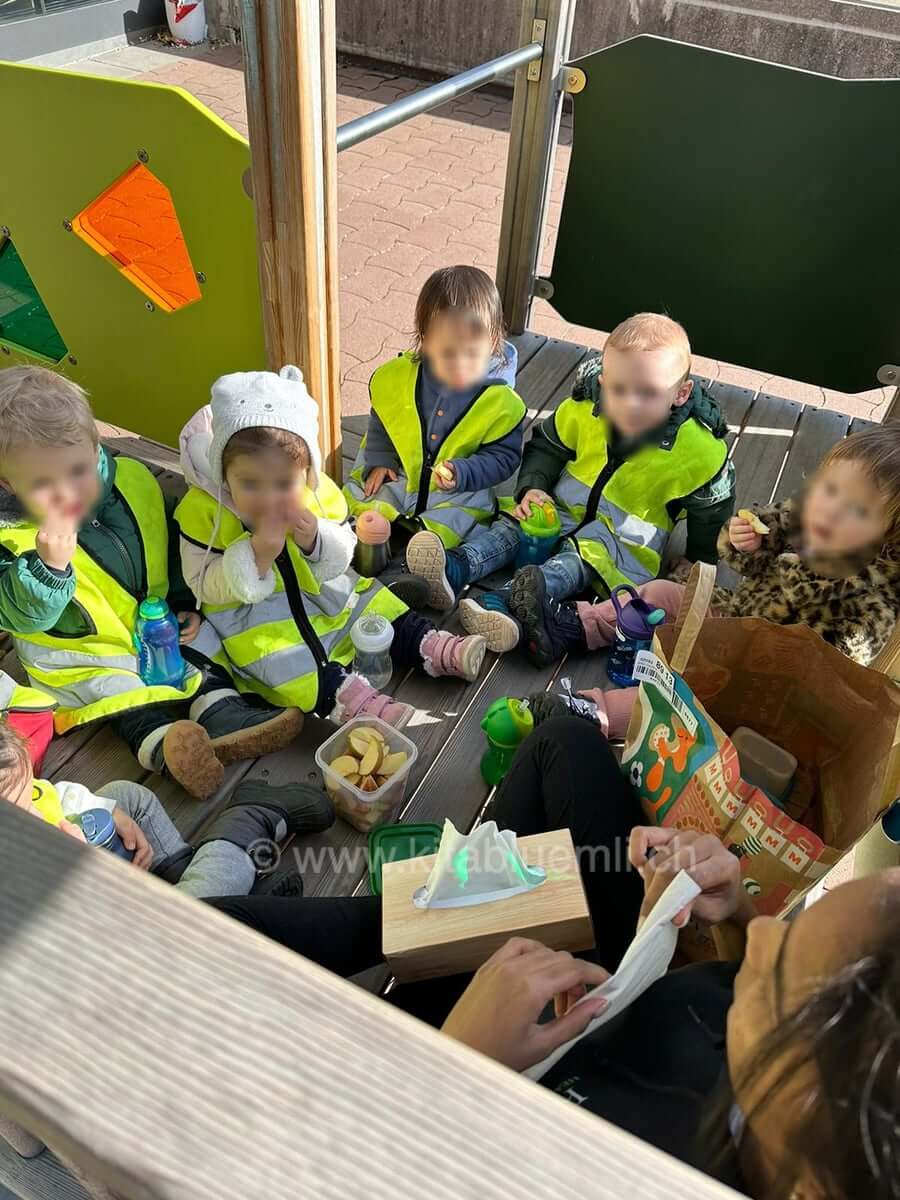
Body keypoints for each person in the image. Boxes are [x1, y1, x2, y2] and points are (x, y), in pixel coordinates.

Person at [211, 718, 900, 1198]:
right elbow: (751, 952)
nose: (765, 936)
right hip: (597, 997)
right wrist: (732, 911)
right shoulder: (815, 1098)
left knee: (209, 935)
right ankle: (452, 885)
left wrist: (458, 1069)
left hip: (432, 1098)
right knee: (562, 743)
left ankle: (233, 857)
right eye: (790, 923)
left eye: (774, 977)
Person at [0, 367, 302, 801]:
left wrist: (184, 599)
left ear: (95, 443)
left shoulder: (134, 482)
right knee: (123, 697)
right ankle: (168, 747)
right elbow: (18, 611)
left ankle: (223, 712)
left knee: (200, 647)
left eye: (78, 471)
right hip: (88, 654)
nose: (68, 493)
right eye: (45, 485)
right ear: (9, 483)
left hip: (156, 622)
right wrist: (49, 569)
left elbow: (169, 543)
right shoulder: (10, 537)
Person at [521, 423, 900, 735]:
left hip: (756, 681)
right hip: (732, 617)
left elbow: (826, 672)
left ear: (888, 532)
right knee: (660, 593)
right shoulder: (803, 518)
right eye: (830, 490)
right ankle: (574, 627)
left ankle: (591, 714)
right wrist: (744, 542)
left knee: (682, 691)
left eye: (856, 510)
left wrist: (803, 570)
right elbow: (744, 557)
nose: (831, 510)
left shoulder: (872, 600)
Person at [176, 366, 489, 731]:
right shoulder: (203, 512)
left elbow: (344, 547)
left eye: (283, 484)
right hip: (256, 620)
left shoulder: (318, 494)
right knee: (288, 665)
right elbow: (201, 582)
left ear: (306, 472)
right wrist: (255, 555)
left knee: (373, 604)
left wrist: (315, 539)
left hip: (324, 594)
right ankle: (351, 700)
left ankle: (429, 644)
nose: (269, 498)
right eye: (250, 484)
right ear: (223, 476)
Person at [406, 313, 735, 657]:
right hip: (560, 506)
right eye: (618, 389)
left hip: (619, 539)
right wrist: (533, 486)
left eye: (649, 393)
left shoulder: (699, 450)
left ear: (681, 394)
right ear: (603, 379)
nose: (630, 404)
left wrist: (698, 560)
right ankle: (455, 566)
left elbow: (712, 508)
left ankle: (502, 603)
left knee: (568, 565)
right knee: (515, 526)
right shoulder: (584, 407)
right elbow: (547, 446)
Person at [0, 720, 334, 897]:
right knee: (195, 919)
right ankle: (247, 822)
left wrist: (107, 810)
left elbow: (55, 795)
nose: (34, 812)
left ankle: (204, 880)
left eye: (30, 796)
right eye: (19, 816)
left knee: (123, 795)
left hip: (112, 869)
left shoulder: (27, 797)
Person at [343, 265, 526, 550]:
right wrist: (381, 458)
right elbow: (384, 416)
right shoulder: (400, 378)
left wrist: (465, 472)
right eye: (448, 353)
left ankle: (420, 543)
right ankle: (364, 532)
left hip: (458, 486)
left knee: (464, 513)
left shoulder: (500, 403)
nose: (460, 364)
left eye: (472, 353)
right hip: (402, 471)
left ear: (492, 343)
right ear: (425, 342)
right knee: (369, 492)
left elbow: (504, 457)